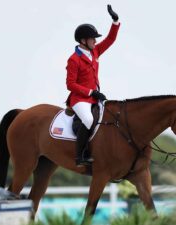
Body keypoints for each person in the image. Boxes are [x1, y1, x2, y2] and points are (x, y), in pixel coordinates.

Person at [66, 5, 120, 167]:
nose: (95, 41)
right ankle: (80, 156)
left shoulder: (95, 52)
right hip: (80, 99)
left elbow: (110, 40)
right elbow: (70, 84)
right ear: (83, 41)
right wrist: (91, 92)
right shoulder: (73, 59)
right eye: (92, 39)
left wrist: (115, 21)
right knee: (89, 119)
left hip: (94, 97)